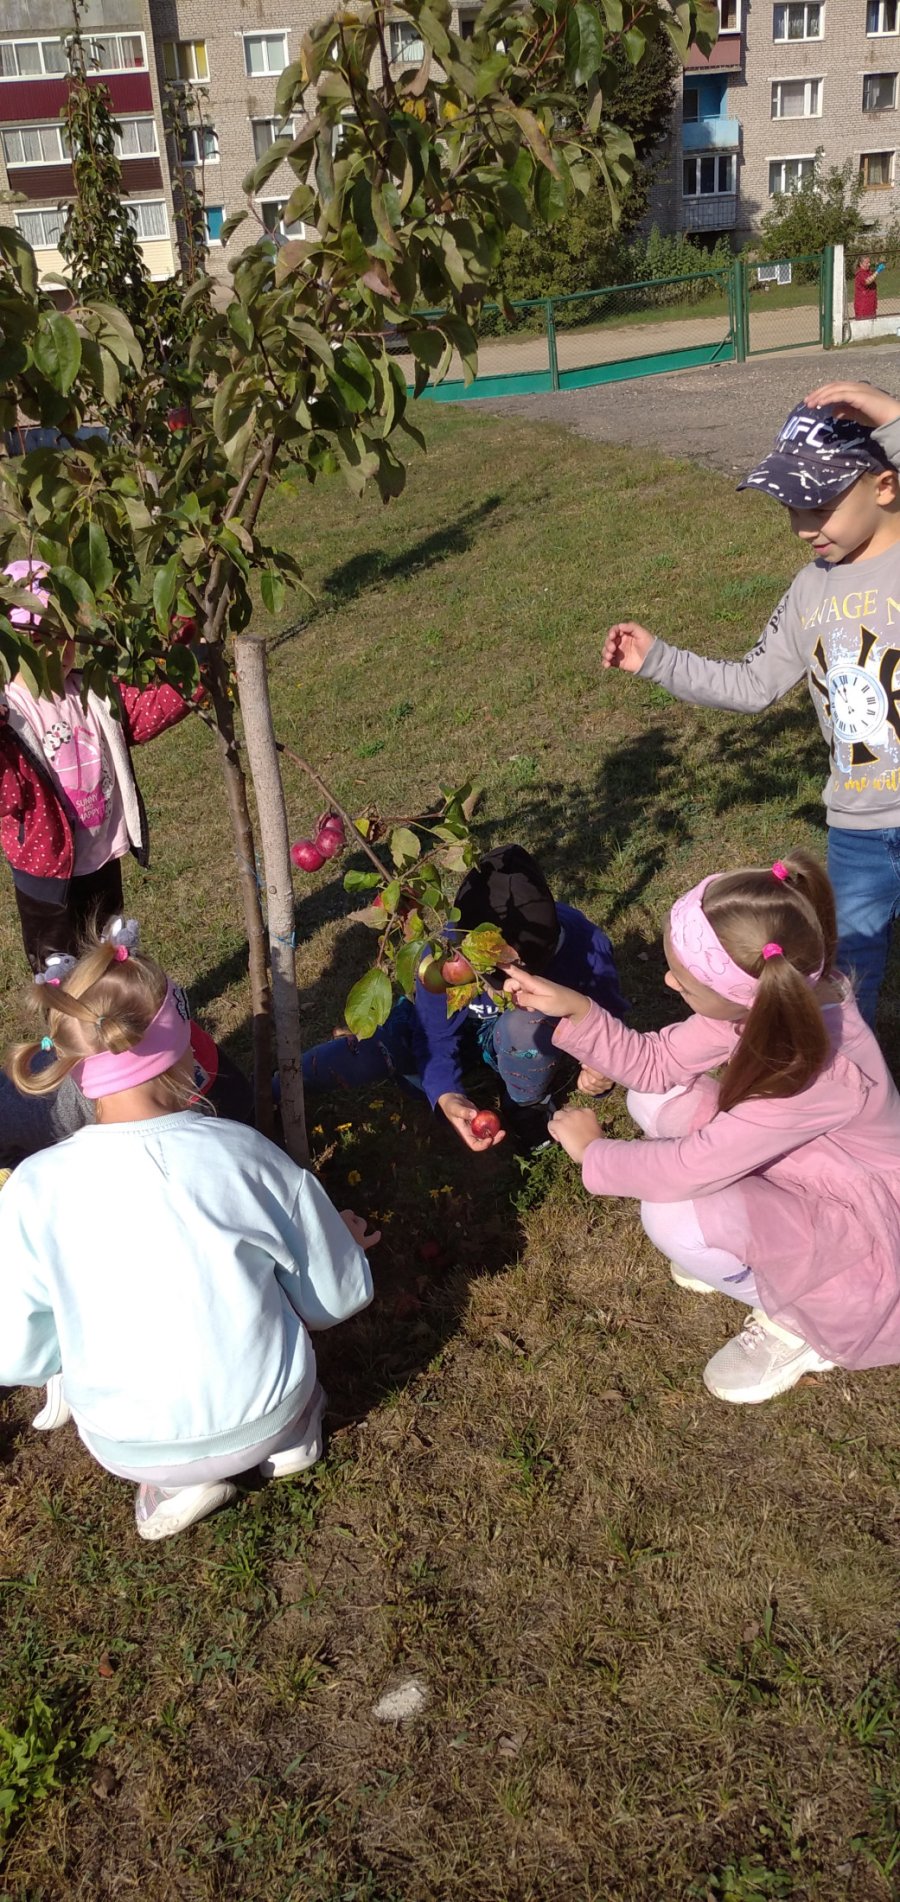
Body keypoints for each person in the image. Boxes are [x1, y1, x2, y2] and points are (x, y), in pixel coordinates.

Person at [0, 936, 378, 1540]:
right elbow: (334, 1299)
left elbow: (18, 1353)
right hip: (269, 1408)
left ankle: (172, 1482)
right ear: (184, 1046)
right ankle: (294, 1435)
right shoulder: (243, 1152)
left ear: (72, 1063)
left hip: (127, 1442)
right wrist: (344, 1242)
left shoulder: (29, 1190)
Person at [504, 853, 900, 1405]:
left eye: (682, 982)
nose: (667, 981)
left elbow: (687, 1168)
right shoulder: (776, 999)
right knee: (651, 1094)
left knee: (671, 1214)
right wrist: (577, 1011)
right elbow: (655, 1064)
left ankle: (807, 1316)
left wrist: (595, 1152)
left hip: (861, 1219)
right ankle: (744, 1252)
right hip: (802, 1163)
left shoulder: (818, 1075)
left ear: (745, 993)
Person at [603, 380, 900, 1027]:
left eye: (817, 505)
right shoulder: (808, 592)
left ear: (884, 487)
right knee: (851, 972)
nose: (802, 528)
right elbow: (752, 684)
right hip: (858, 827)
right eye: (791, 509)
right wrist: (657, 659)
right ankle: (855, 1092)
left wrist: (889, 415)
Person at [302, 844, 627, 1151]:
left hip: (516, 1042)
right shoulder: (445, 958)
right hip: (456, 1029)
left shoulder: (585, 948)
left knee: (526, 1025)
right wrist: (446, 1094)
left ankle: (525, 1103)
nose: (504, 989)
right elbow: (434, 1037)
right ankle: (281, 1086)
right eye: (488, 976)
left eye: (515, 977)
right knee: (368, 1051)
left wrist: (603, 1071)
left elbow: (608, 1025)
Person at [1, 559, 198, 973]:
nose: (63, 645)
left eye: (68, 632)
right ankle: (71, 1035)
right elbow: (8, 796)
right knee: (61, 973)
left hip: (102, 857)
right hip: (47, 877)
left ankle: (118, 1033)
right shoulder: (11, 716)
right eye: (45, 637)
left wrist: (191, 669)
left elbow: (143, 712)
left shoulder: (90, 690)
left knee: (112, 959)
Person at [853, 255, 884, 321]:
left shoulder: (868, 272)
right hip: (863, 306)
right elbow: (867, 281)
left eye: (869, 262)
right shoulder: (860, 274)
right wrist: (877, 271)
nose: (869, 264)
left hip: (871, 305)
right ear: (861, 264)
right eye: (867, 263)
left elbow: (872, 278)